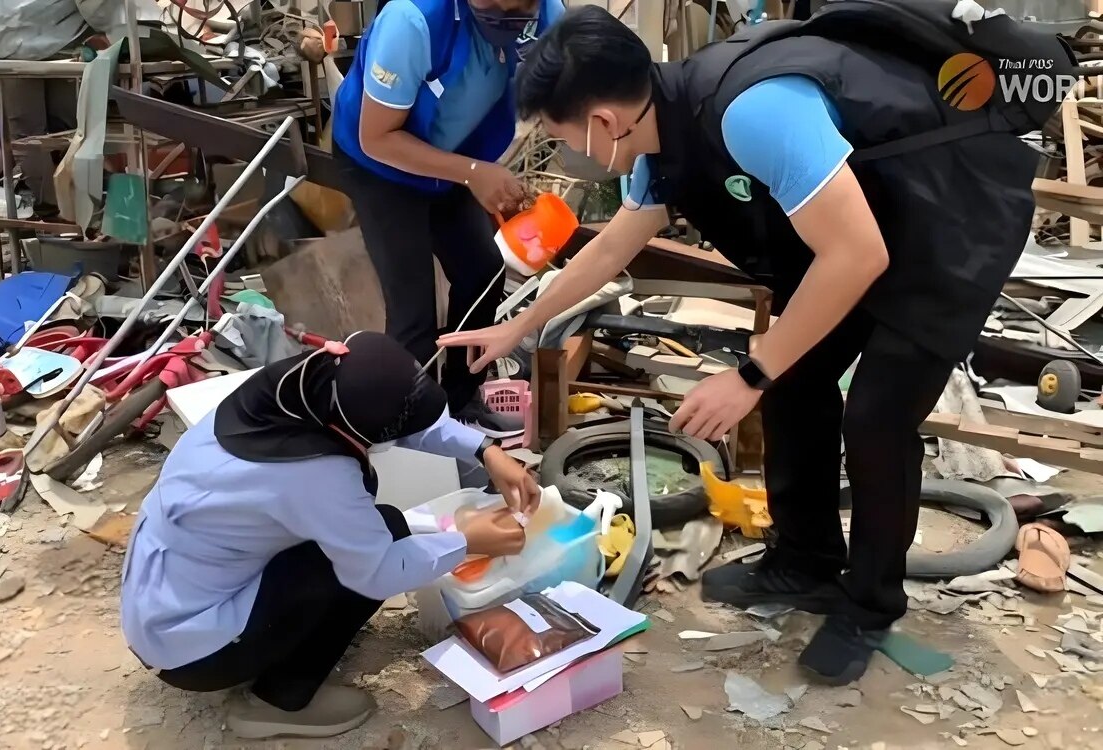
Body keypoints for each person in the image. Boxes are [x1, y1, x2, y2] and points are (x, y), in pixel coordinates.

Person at [439, 5, 1047, 684]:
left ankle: (870, 604)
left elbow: (855, 255)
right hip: (860, 226)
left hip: (945, 221)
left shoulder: (752, 112)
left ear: (603, 122)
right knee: (798, 381)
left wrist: (750, 375)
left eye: (568, 136)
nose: (577, 152)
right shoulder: (659, 129)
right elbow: (614, 245)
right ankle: (806, 562)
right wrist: (517, 324)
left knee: (876, 416)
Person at [120, 332, 540, 739]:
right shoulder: (311, 475)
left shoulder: (295, 395)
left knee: (382, 527)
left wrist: (486, 450)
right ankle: (277, 701)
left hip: (161, 609)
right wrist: (466, 540)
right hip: (194, 654)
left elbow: (391, 421)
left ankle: (278, 639)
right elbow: (377, 572)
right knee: (384, 544)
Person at [330, 0, 564, 438]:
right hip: (380, 162)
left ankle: (461, 398)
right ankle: (406, 429)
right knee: (413, 308)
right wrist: (473, 173)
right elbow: (377, 136)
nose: (501, 12)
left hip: (455, 156)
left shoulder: (549, 15)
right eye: (489, 5)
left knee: (483, 274)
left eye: (517, 7)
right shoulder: (413, 21)